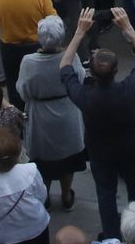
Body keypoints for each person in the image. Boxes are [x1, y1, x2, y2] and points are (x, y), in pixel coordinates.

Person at [61, 7, 135, 240]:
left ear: (91, 72)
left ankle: (112, 238)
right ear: (116, 71)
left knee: (105, 194)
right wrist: (128, 28)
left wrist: (79, 33)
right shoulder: (128, 90)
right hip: (129, 148)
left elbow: (64, 67)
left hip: (100, 153)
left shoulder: (85, 97)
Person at [18, 15, 85, 211]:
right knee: (69, 159)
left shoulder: (28, 61)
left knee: (43, 162)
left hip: (40, 116)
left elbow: (23, 91)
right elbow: (80, 79)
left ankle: (45, 196)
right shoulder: (71, 57)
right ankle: (66, 195)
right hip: (67, 113)